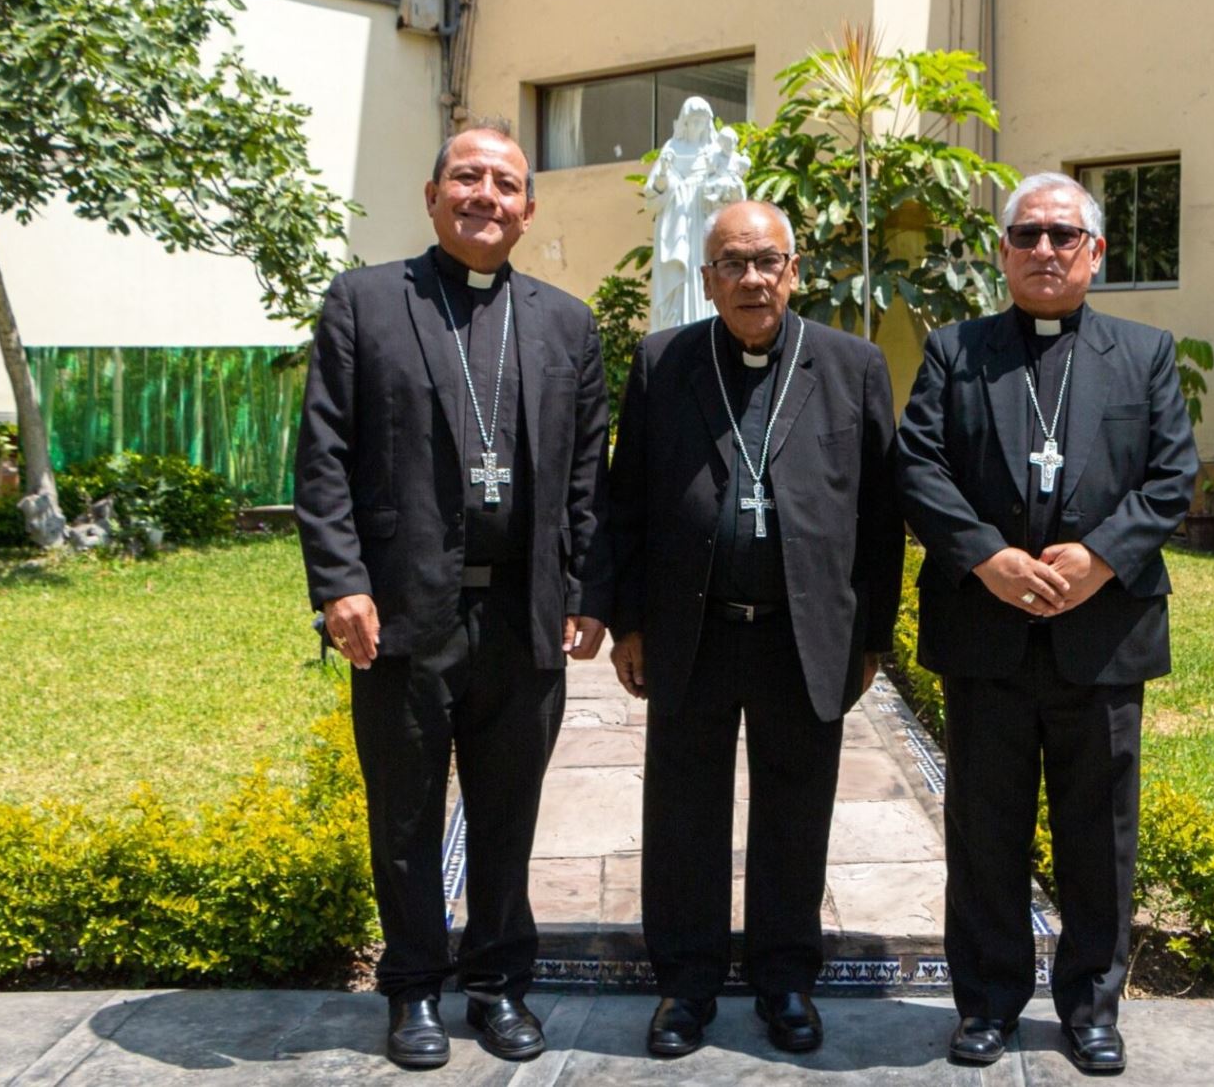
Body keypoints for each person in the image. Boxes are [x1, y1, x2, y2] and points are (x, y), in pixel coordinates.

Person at [294, 119, 611, 1069]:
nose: (486, 195)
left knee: (510, 814)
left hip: (522, 615)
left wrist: (588, 587)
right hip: (402, 614)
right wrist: (340, 582)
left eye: (505, 183)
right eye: (466, 177)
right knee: (405, 814)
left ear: (528, 207)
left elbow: (589, 472)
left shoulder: (565, 321)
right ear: (432, 196)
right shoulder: (365, 304)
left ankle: (499, 984)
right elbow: (324, 456)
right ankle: (412, 990)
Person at [895, 172, 1197, 1074]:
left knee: (1099, 833)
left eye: (1064, 236)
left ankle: (1092, 1008)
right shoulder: (956, 352)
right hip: (987, 634)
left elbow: (1172, 475)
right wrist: (988, 558)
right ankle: (986, 1005)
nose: (1045, 252)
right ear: (1003, 251)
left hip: (1101, 635)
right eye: (1026, 236)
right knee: (984, 831)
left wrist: (1099, 556)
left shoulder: (1144, 353)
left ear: (1095, 252)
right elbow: (919, 466)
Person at [608, 199, 903, 1058]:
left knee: (794, 813)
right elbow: (626, 502)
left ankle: (784, 979)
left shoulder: (852, 366)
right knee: (683, 814)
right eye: (732, 263)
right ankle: (686, 987)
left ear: (795, 270)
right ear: (706, 279)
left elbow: (882, 517)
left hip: (801, 635)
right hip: (692, 629)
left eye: (768, 261)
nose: (752, 278)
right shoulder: (664, 362)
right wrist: (628, 620)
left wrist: (872, 636)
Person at [643, 97, 747, 332]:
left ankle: (709, 325)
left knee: (708, 264)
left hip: (706, 218)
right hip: (679, 219)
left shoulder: (716, 150)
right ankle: (678, 326)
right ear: (685, 122)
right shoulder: (672, 148)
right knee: (682, 276)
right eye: (694, 121)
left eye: (703, 121)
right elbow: (654, 192)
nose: (698, 125)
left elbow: (734, 185)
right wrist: (665, 173)